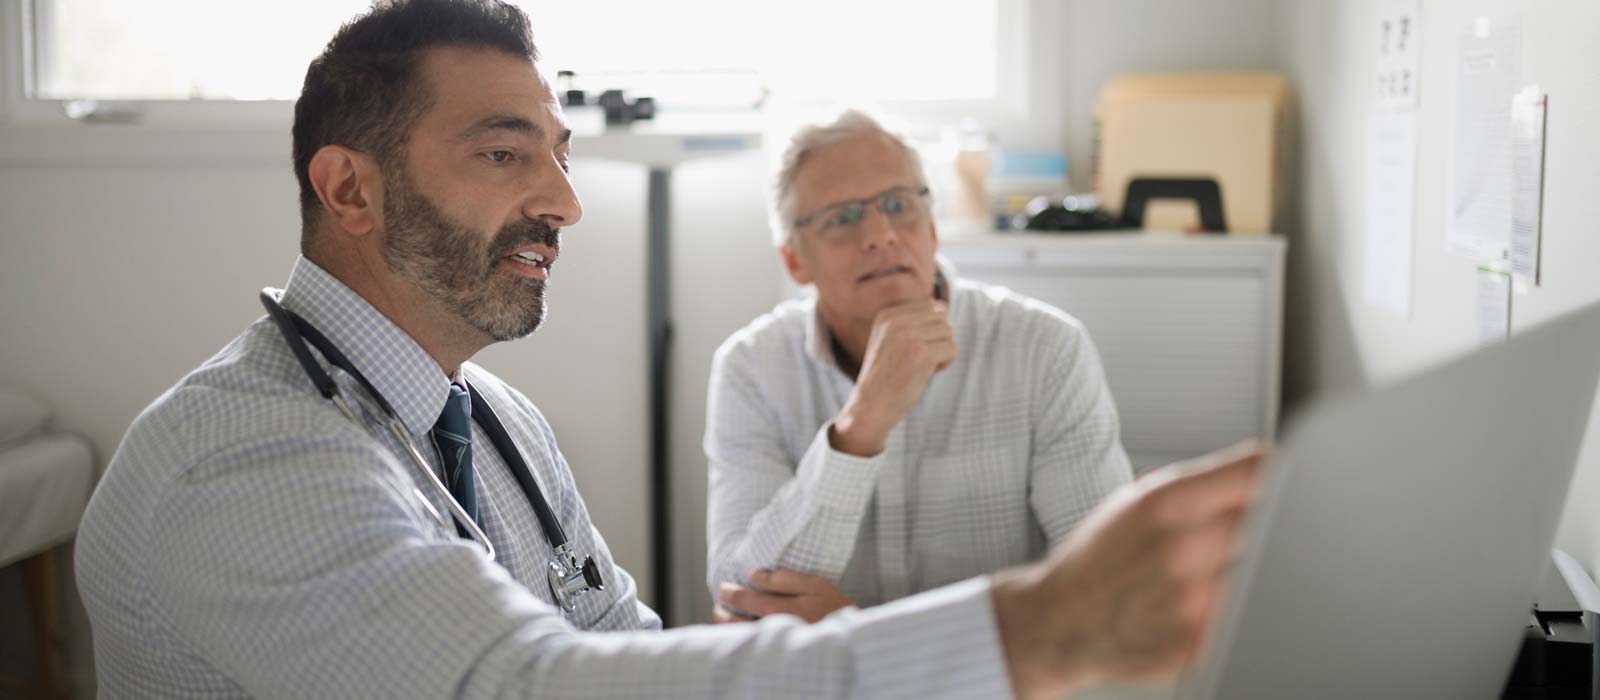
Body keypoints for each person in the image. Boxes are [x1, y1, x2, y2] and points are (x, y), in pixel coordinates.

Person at [74, 1, 1264, 698]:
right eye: (503, 154)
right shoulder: (244, 456)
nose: (562, 203)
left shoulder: (500, 425)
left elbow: (635, 647)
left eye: (558, 155)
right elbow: (537, 685)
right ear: (350, 189)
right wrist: (1027, 628)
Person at [706, 110, 1131, 622]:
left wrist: (859, 635)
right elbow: (743, 595)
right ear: (795, 260)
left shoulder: (1045, 350)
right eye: (841, 218)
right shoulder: (751, 369)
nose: (881, 235)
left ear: (930, 227)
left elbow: (1111, 588)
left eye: (897, 205)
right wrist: (863, 422)